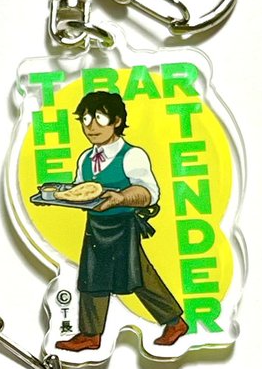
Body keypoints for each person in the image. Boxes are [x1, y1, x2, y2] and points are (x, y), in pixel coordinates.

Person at [54, 90, 187, 353]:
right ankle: (90, 334)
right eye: (86, 119)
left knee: (138, 276)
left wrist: (121, 198)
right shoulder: (85, 158)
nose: (91, 126)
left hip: (123, 226)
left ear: (116, 121)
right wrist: (59, 197)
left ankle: (175, 322)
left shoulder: (132, 155)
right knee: (92, 277)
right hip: (96, 226)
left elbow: (148, 193)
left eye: (100, 118)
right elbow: (81, 190)